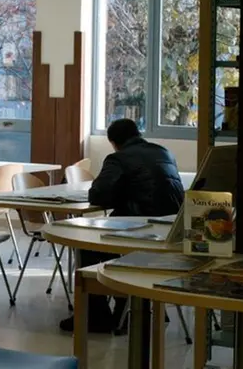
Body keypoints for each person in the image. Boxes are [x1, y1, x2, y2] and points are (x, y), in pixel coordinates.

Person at [59, 118, 184, 333]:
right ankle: (126, 306)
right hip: (170, 232)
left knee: (85, 243)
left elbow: (98, 194)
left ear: (113, 142)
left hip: (138, 231)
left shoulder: (118, 158)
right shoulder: (165, 153)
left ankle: (96, 315)